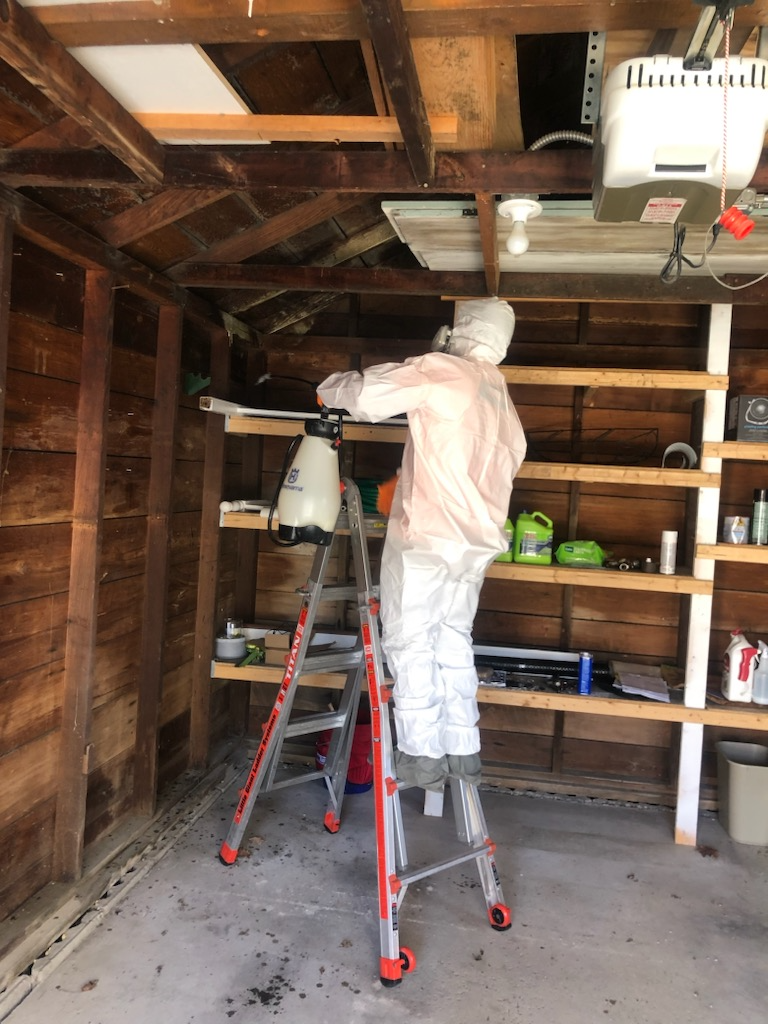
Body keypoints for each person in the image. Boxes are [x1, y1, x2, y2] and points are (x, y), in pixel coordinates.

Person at [317, 298, 527, 791]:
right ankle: (463, 751)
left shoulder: (447, 371)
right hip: (474, 545)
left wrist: (328, 389)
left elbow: (368, 395)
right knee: (453, 640)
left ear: (461, 331)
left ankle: (420, 756)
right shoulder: (502, 398)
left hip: (430, 537)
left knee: (410, 640)